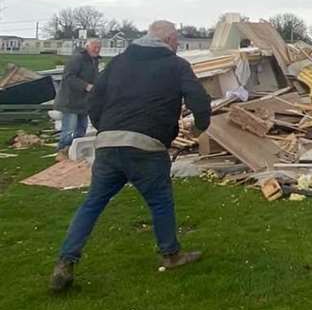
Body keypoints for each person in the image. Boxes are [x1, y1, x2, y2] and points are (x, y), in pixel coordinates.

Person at [49, 20, 212, 292]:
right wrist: (198, 128)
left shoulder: (119, 63)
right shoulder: (176, 65)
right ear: (169, 40)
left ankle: (65, 261)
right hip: (147, 147)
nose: (177, 46)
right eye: (176, 41)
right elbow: (200, 102)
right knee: (160, 201)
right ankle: (170, 254)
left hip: (108, 145)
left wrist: (107, 129)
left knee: (93, 203)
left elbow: (94, 100)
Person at [55, 37, 101, 152]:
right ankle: (63, 150)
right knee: (69, 129)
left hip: (84, 102)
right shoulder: (77, 59)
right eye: (94, 47)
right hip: (70, 100)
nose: (97, 50)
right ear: (87, 47)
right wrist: (86, 86)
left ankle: (75, 151)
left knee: (81, 129)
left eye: (99, 47)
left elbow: (95, 78)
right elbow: (68, 77)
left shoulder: (94, 61)